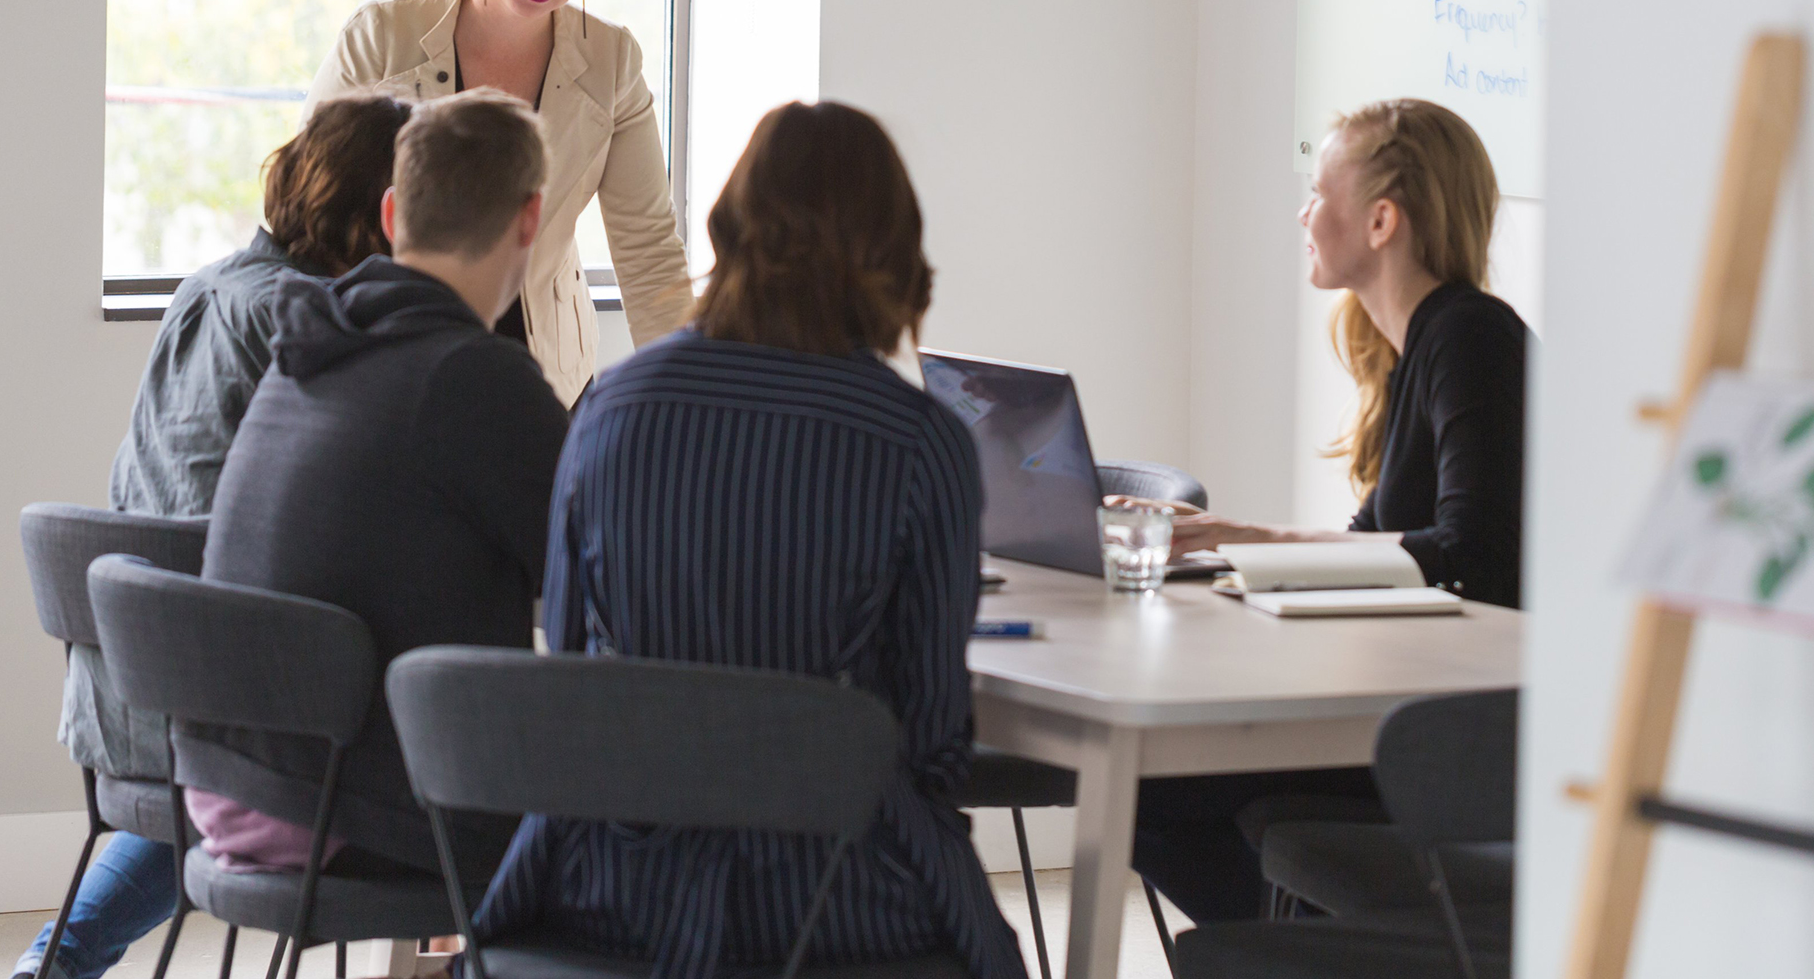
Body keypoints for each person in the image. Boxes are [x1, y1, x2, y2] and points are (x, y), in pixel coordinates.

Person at [474, 102, 1028, 979]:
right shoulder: (920, 442)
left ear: (728, 227)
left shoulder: (610, 409)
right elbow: (929, 738)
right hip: (837, 893)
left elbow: (573, 672)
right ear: (893, 247)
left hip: (611, 883)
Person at [13, 94, 412, 979]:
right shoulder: (310, 318)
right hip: (224, 706)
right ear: (388, 208)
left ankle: (53, 962)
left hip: (126, 693)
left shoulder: (209, 286)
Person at [1125, 97, 1531, 924]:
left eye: (1319, 191)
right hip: (1411, 706)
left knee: (1144, 789)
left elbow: (1470, 554)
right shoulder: (1419, 348)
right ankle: (1314, 947)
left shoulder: (1470, 336)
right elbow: (1376, 546)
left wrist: (1247, 537)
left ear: (1382, 220)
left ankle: (1317, 952)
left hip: (1457, 735)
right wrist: (1220, 558)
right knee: (1145, 789)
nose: (1303, 213)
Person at [186, 89, 569, 882]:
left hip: (234, 781)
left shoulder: (309, 345)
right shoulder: (475, 376)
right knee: (647, 803)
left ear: (393, 214)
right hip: (348, 808)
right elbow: (599, 572)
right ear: (529, 220)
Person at [304, 0, 690, 404]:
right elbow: (310, 216)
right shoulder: (381, 35)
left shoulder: (612, 60)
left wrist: (688, 397)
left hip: (542, 380)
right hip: (387, 365)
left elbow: (648, 248)